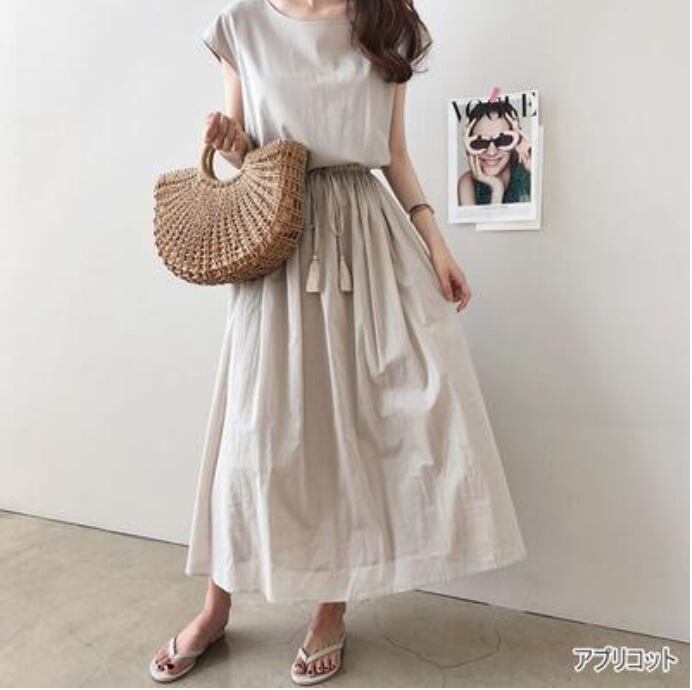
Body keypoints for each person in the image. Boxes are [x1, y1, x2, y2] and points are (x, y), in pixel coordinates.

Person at [150, 0, 528, 684]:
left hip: (369, 244)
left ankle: (331, 607)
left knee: (357, 430)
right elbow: (245, 156)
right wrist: (231, 145)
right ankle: (216, 605)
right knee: (252, 437)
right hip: (281, 239)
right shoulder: (242, 24)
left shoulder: (388, 20)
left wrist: (436, 244)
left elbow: (395, 155)